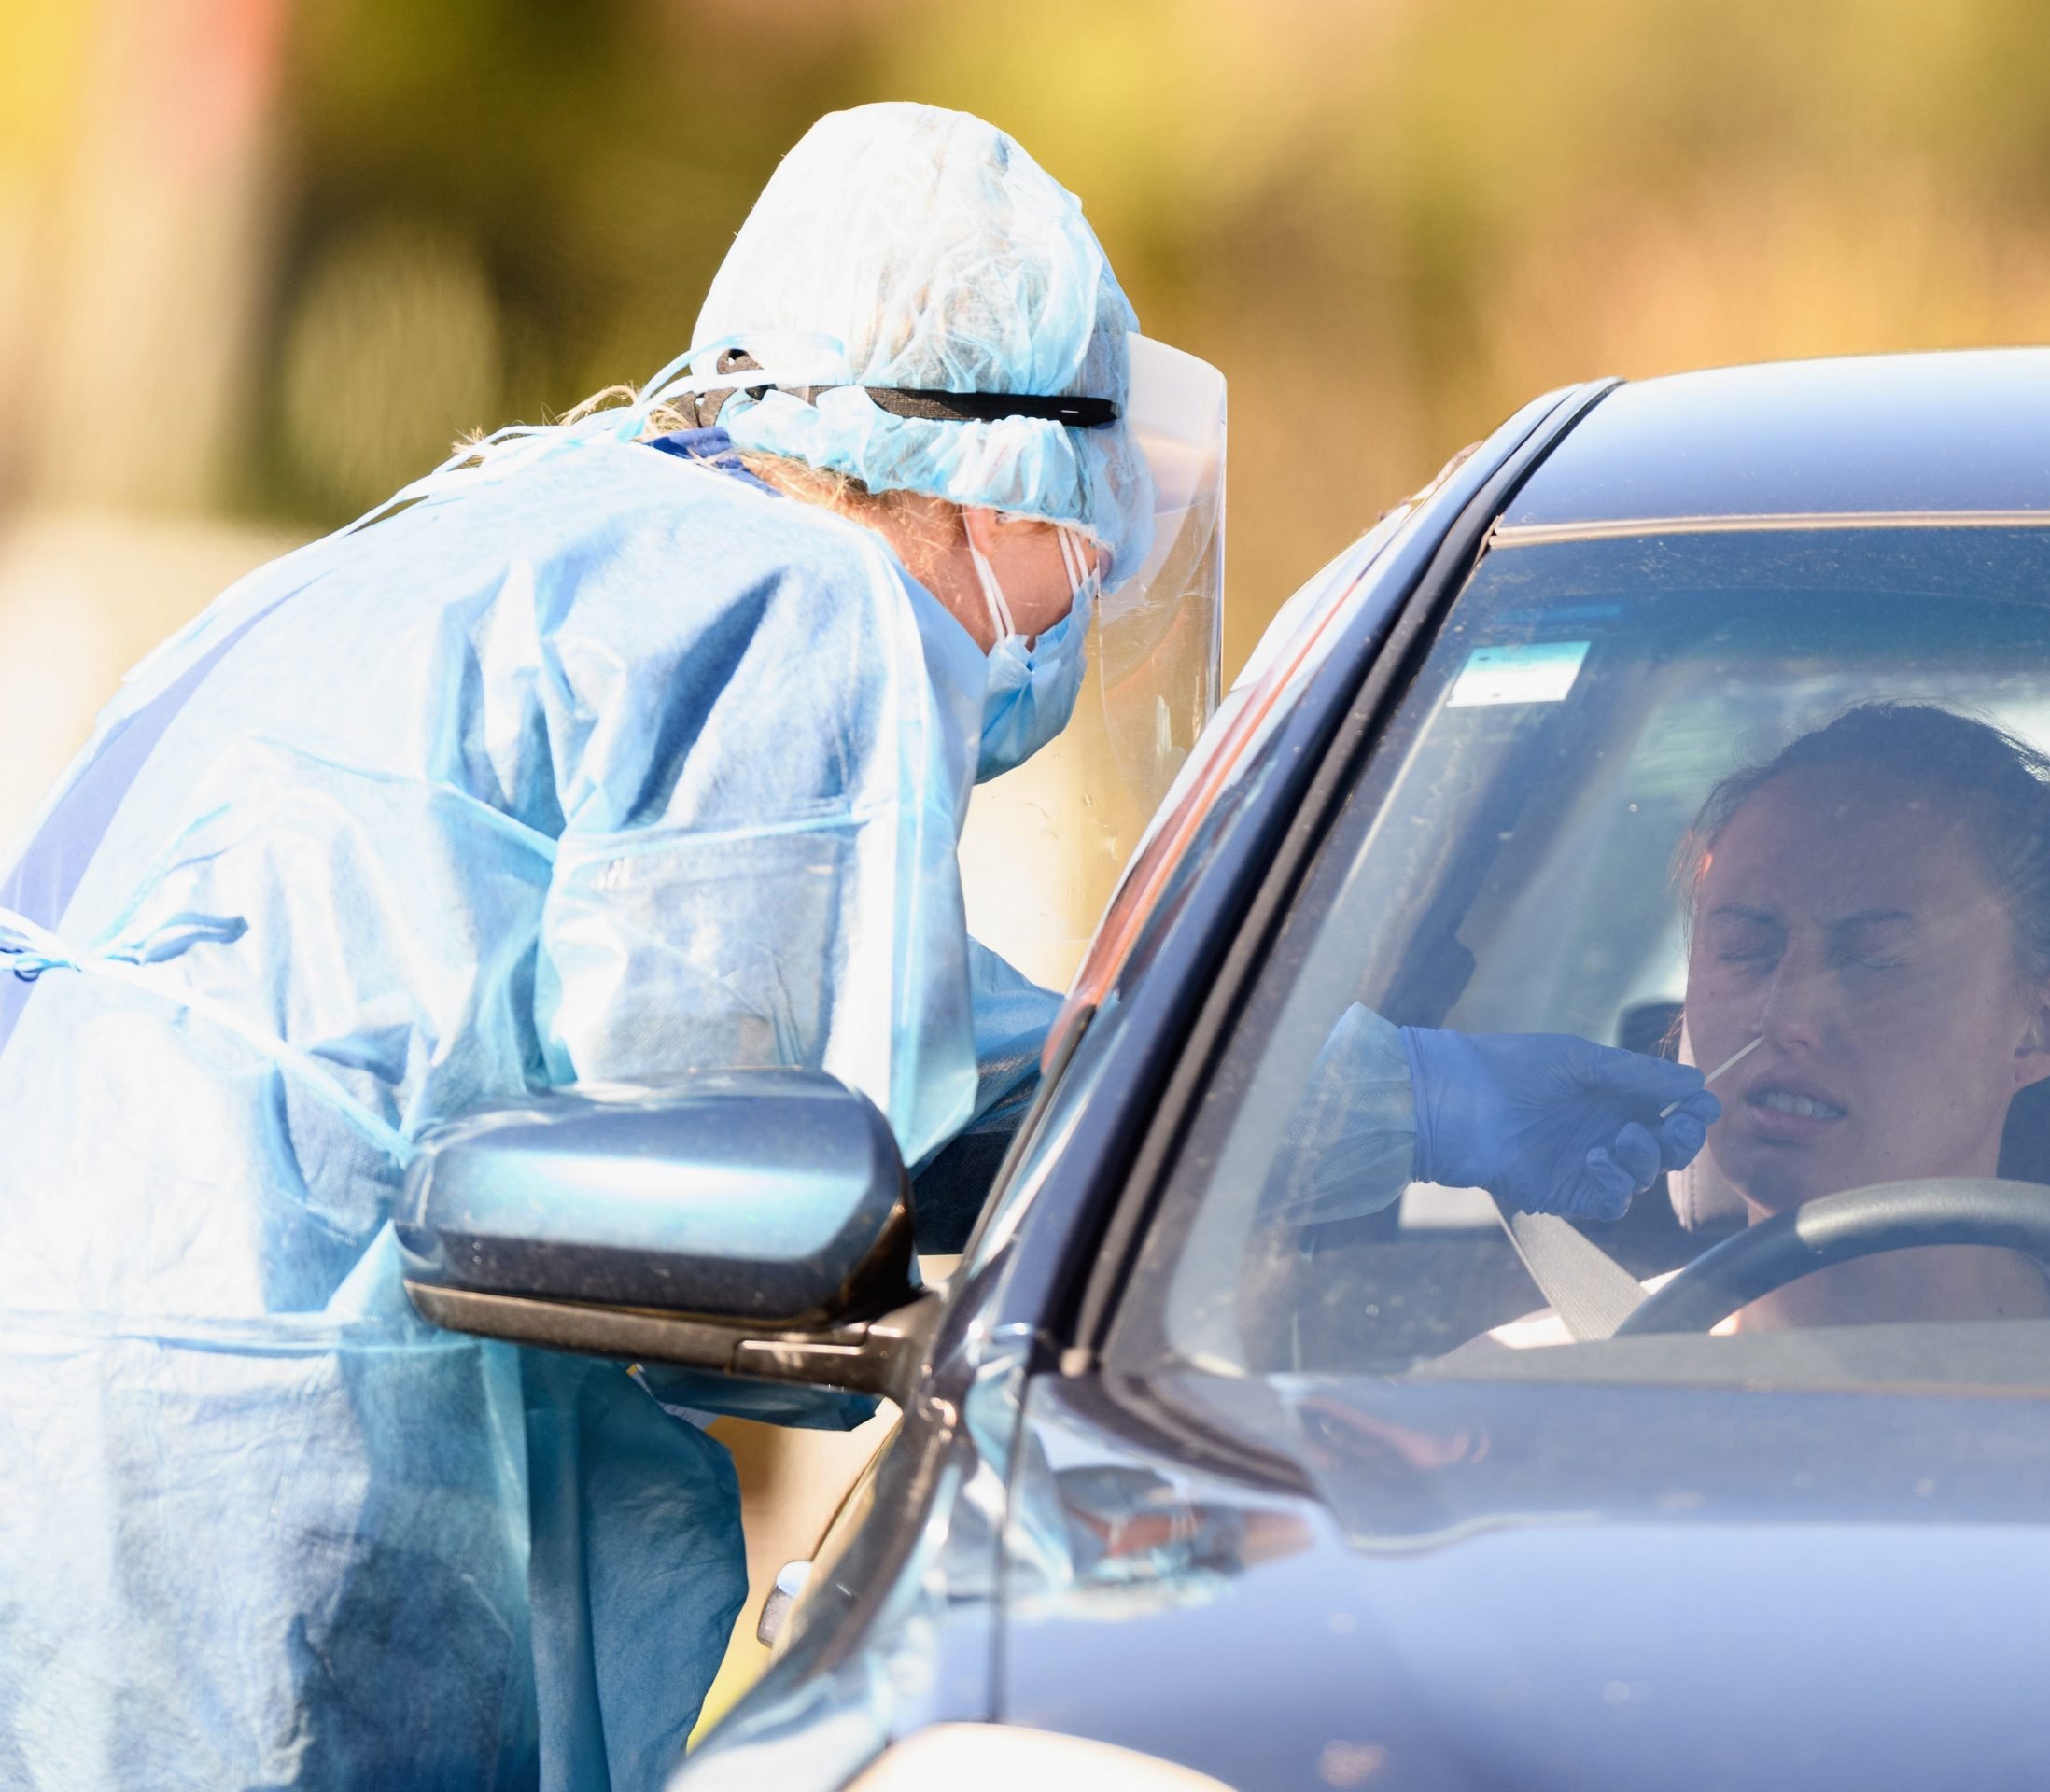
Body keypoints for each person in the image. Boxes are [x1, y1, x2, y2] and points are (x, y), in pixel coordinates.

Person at [0, 102, 1204, 1790]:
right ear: (987, 460)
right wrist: (1301, 1096)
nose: (1090, 576)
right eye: (1084, 516)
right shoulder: (799, 599)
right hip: (270, 1459)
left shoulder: (515, 522)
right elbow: (771, 1115)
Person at [1673, 701, 2050, 1328]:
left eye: (1875, 961)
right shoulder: (1540, 1383)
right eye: (1744, 948)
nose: (1785, 1016)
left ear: (2043, 1025)